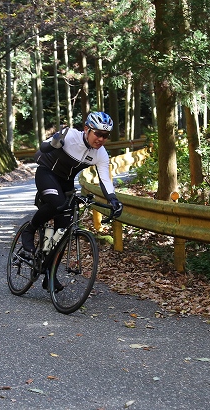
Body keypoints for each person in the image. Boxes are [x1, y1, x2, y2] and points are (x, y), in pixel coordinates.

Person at [21, 111, 124, 289]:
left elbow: (105, 179)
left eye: (105, 136)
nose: (101, 139)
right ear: (86, 129)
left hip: (66, 183)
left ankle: (50, 275)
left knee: (64, 229)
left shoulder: (101, 154)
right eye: (98, 134)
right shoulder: (70, 135)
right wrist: (53, 143)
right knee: (58, 204)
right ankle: (29, 230)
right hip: (46, 173)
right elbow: (43, 147)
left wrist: (113, 200)